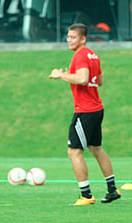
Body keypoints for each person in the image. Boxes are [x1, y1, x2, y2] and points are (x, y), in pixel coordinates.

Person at [49, 23, 121, 206]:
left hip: (85, 111)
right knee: (96, 149)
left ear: (83, 39)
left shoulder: (80, 55)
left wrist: (60, 75)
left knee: (74, 151)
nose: (69, 40)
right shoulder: (93, 55)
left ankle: (86, 195)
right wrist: (71, 76)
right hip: (96, 109)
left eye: (73, 37)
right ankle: (112, 189)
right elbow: (100, 81)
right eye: (68, 37)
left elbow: (82, 78)